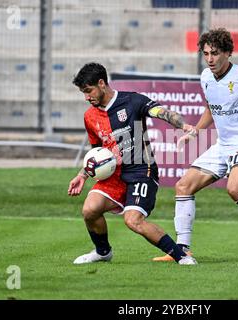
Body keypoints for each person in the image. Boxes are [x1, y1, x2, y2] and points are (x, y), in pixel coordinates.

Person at [153, 28, 238, 263]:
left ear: (227, 53)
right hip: (222, 145)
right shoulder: (206, 77)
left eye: (214, 53)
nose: (210, 59)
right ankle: (182, 250)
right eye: (206, 54)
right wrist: (196, 131)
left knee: (234, 189)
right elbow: (212, 108)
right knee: (183, 186)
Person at [68, 62, 197, 265]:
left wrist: (184, 125)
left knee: (133, 220)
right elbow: (97, 152)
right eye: (83, 93)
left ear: (102, 83)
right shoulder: (90, 116)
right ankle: (103, 252)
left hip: (141, 170)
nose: (86, 97)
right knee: (89, 210)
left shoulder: (133, 101)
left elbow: (161, 112)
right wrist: (82, 175)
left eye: (88, 90)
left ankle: (181, 256)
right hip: (114, 175)